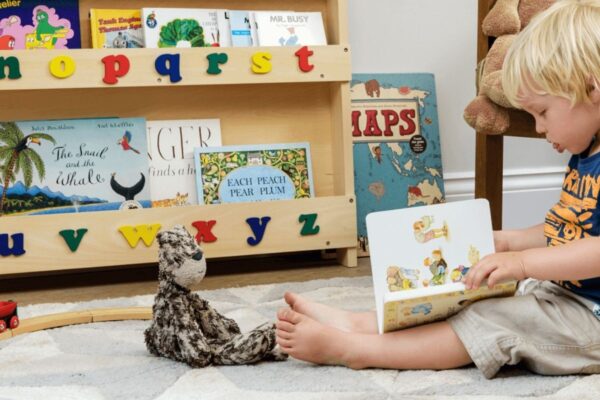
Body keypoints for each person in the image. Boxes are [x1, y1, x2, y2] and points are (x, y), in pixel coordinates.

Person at [275, 0, 600, 378]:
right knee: (475, 297)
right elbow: (569, 231)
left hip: (592, 320)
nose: (539, 129)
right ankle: (360, 323)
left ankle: (358, 349)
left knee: (496, 321)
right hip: (566, 296)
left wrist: (524, 264)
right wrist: (512, 242)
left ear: (591, 89)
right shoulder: (586, 150)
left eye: (542, 113)